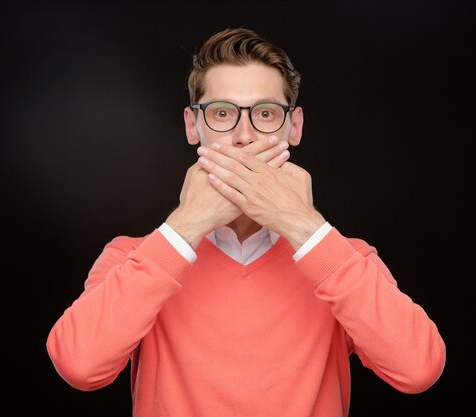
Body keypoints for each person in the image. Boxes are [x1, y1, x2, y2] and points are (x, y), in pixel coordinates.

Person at [46, 27, 446, 416]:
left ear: (294, 127)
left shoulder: (344, 260)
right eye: (222, 113)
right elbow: (80, 366)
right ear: (192, 125)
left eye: (266, 113)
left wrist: (304, 225)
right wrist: (186, 224)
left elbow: (418, 369)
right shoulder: (131, 257)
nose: (243, 136)